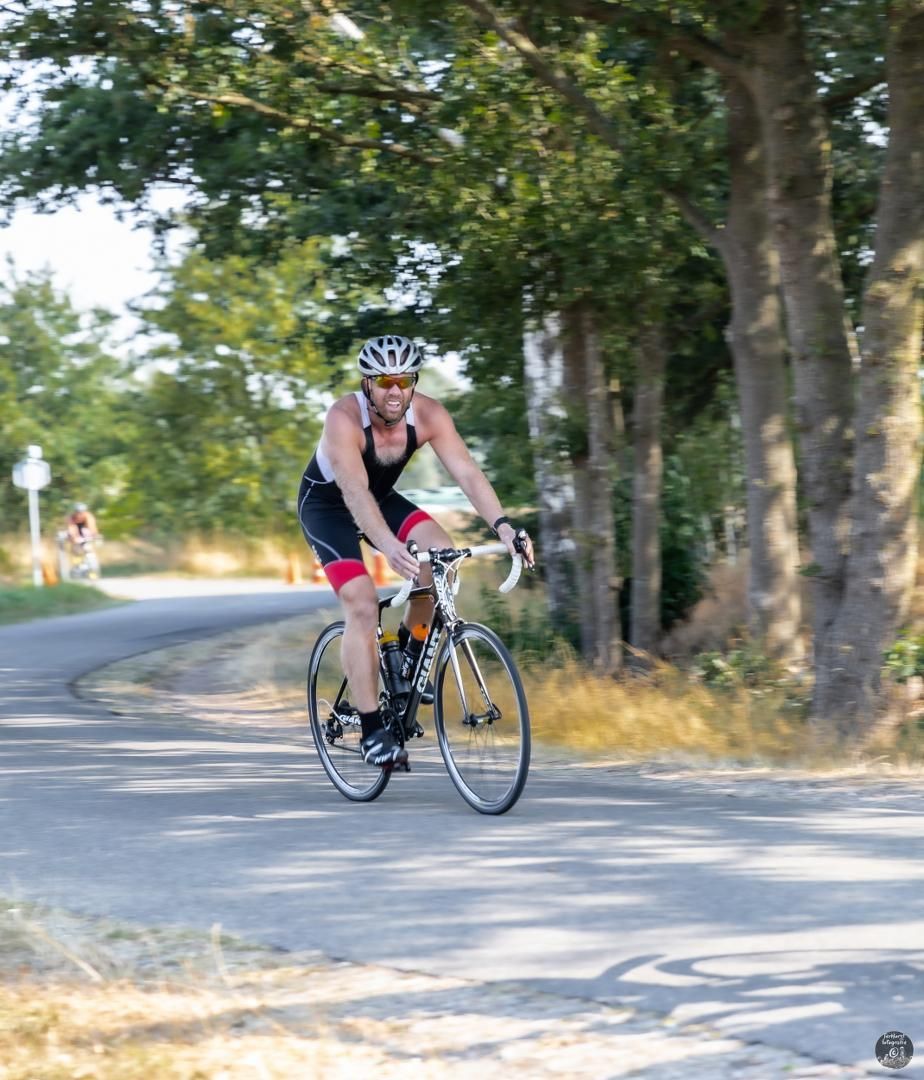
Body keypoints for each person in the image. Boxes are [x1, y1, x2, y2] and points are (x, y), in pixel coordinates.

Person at [298, 335, 535, 768]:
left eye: (404, 380)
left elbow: (466, 471)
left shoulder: (428, 415)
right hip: (329, 505)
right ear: (368, 383)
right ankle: (372, 731)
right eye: (385, 380)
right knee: (363, 604)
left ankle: (408, 655)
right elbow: (353, 491)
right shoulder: (343, 418)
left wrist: (503, 527)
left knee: (441, 556)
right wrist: (388, 546)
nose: (395, 390)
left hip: (381, 497)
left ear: (413, 382)